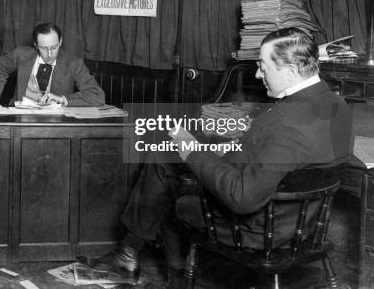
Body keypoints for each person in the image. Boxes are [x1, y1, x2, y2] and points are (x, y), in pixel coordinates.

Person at [89, 27, 352, 281]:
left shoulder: (286, 123)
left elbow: (243, 198)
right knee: (165, 156)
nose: (259, 75)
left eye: (263, 66)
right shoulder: (336, 105)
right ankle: (129, 252)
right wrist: (233, 147)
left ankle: (169, 273)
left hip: (261, 229)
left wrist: (192, 150)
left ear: (292, 70)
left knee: (170, 189)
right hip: (305, 222)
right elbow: (289, 157)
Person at [0, 22, 105, 107]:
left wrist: (63, 99)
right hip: (19, 116)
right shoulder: (21, 55)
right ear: (35, 45)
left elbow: (97, 95)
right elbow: (0, 67)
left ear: (60, 41)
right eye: (44, 48)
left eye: (54, 47)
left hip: (56, 122)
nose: (50, 54)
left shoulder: (73, 64)